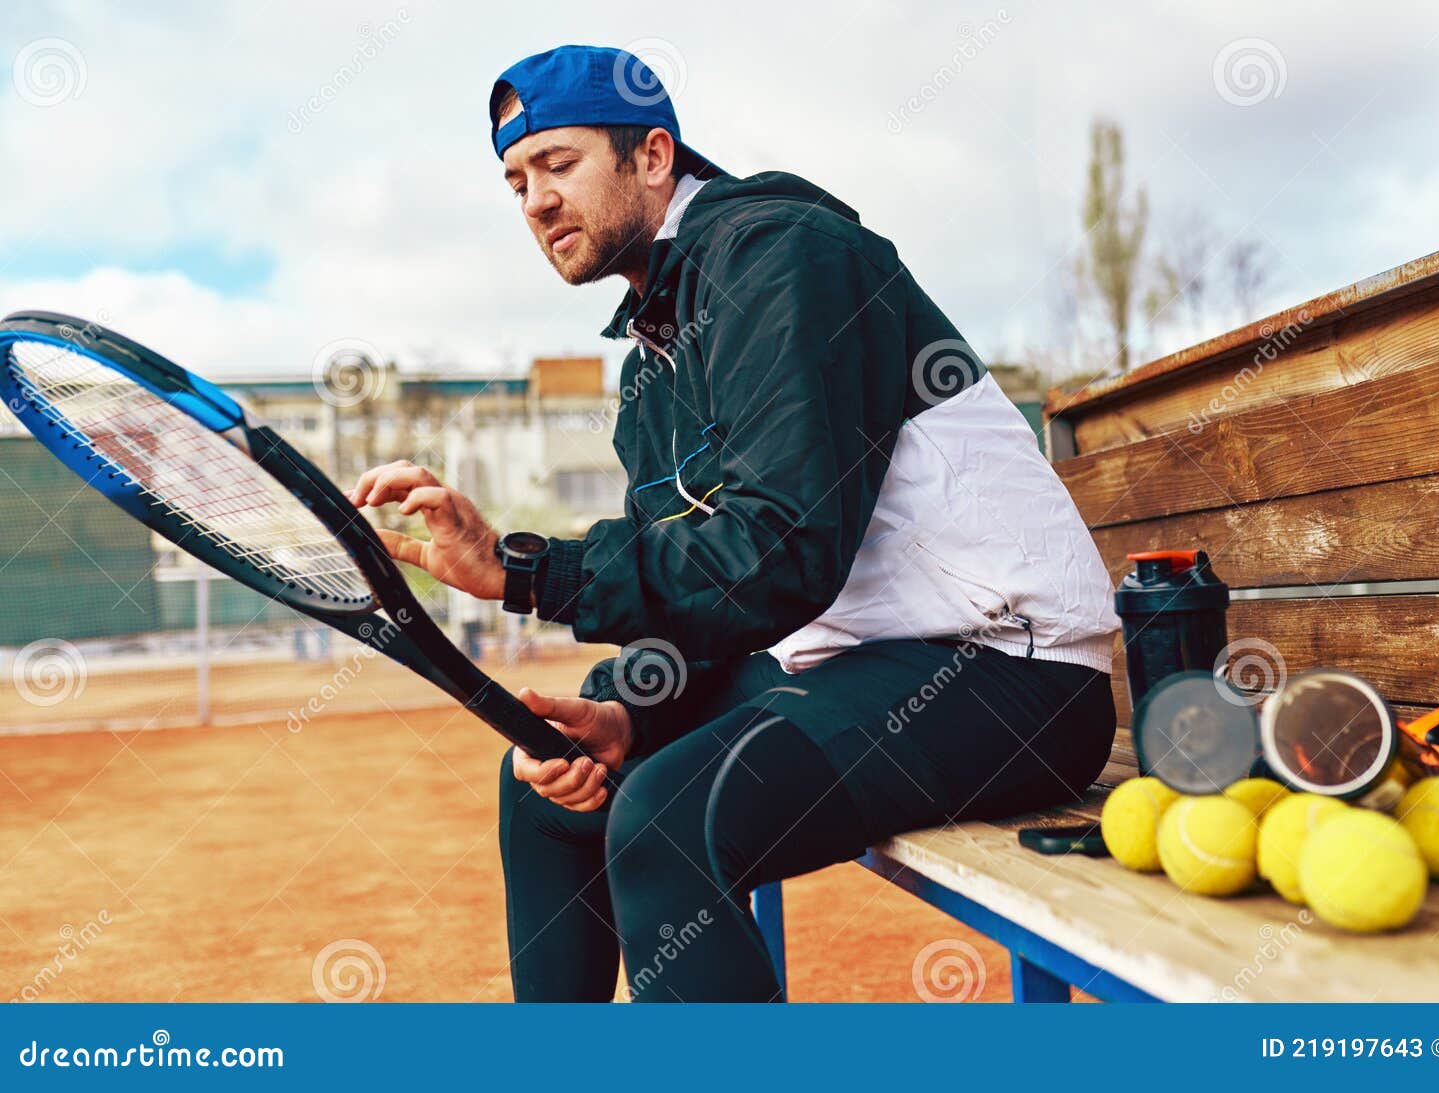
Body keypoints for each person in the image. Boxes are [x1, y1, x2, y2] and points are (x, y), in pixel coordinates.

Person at [346, 44, 1120, 1002]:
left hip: (1009, 669)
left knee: (669, 821)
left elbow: (781, 552)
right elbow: (705, 598)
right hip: (846, 658)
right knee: (550, 776)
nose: (536, 202)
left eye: (559, 164)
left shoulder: (786, 257)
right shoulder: (649, 361)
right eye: (515, 182)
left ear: (654, 157)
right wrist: (633, 713)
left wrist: (526, 572)